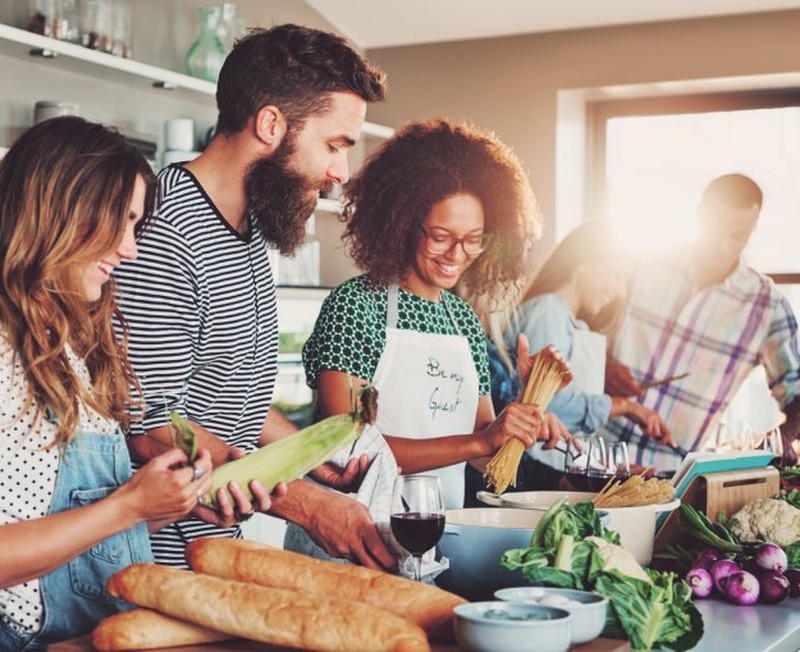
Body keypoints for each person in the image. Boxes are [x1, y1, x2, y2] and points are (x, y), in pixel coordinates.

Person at [0, 117, 215, 650]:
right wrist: (129, 506)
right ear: (57, 211)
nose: (129, 250)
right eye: (117, 223)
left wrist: (171, 502)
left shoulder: (70, 342)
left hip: (100, 636)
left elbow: (77, 534)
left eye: (134, 227)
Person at [113, 24, 394, 570]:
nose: (340, 172)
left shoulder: (247, 231)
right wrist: (310, 506)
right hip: (148, 567)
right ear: (270, 124)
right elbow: (149, 425)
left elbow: (225, 389)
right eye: (335, 145)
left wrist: (310, 454)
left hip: (211, 557)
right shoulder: (165, 232)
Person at [299, 119, 571, 535]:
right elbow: (344, 451)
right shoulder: (356, 306)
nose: (457, 254)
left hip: (434, 536)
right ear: (403, 222)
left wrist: (525, 413)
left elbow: (484, 454)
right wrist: (480, 442)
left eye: (473, 239)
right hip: (346, 537)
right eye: (441, 236)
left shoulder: (462, 320)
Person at [602, 173, 800, 471]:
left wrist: (782, 438)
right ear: (699, 215)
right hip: (591, 454)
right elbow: (580, 331)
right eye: (715, 230)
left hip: (670, 476)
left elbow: (797, 397)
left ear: (752, 230)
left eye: (737, 237)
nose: (722, 246)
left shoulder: (767, 307)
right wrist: (599, 365)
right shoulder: (642, 265)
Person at [502, 221, 672, 489]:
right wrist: (626, 407)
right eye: (617, 275)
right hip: (534, 479)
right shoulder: (548, 312)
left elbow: (568, 429)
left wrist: (605, 468)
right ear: (582, 263)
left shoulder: (571, 322)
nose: (621, 291)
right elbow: (543, 407)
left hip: (558, 477)